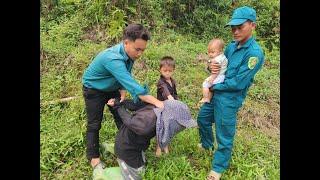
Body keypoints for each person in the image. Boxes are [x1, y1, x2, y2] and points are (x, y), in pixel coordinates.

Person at [81, 23, 164, 178]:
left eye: (143, 50)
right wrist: (158, 102)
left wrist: (122, 91)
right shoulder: (112, 58)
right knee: (94, 123)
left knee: (121, 117)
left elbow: (126, 75)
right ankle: (94, 158)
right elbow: (135, 87)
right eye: (137, 49)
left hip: (112, 86)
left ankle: (124, 147)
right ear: (126, 42)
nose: (140, 54)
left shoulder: (129, 55)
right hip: (94, 88)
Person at [197, 6, 265, 180]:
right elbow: (218, 66)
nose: (235, 31)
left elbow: (237, 83)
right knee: (203, 118)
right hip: (217, 91)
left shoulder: (254, 53)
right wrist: (209, 66)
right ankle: (207, 145)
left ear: (253, 26)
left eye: (240, 27)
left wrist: (213, 87)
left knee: (224, 133)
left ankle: (218, 168)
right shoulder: (230, 47)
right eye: (233, 28)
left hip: (229, 98)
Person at [106, 98, 197, 180]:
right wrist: (118, 106)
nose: (181, 127)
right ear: (170, 118)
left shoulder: (157, 106)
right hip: (126, 146)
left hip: (137, 144)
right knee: (137, 174)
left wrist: (122, 103)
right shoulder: (146, 124)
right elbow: (128, 120)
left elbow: (134, 104)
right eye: (180, 124)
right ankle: (105, 174)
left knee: (142, 166)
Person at [155, 56, 178, 156]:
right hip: (162, 108)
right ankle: (159, 147)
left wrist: (177, 102)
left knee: (168, 127)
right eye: (165, 71)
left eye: (170, 71)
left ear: (173, 70)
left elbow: (175, 94)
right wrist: (172, 100)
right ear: (160, 70)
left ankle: (166, 145)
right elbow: (167, 93)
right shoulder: (161, 82)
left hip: (170, 107)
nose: (167, 73)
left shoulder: (172, 81)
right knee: (161, 127)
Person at [200, 38, 228, 103]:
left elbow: (216, 70)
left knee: (205, 84)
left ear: (220, 51)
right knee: (211, 88)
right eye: (209, 52)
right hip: (222, 76)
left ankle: (205, 98)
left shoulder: (216, 60)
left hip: (218, 76)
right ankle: (209, 98)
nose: (210, 54)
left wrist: (212, 78)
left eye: (212, 52)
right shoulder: (222, 57)